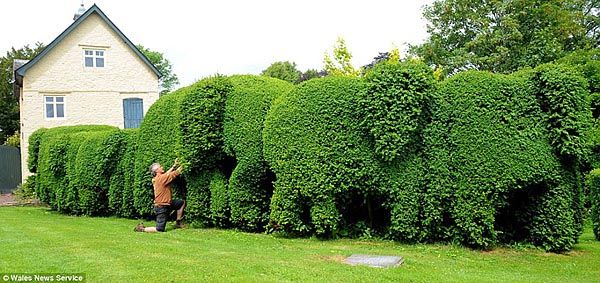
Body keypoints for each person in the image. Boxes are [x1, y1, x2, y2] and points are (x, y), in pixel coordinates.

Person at [135, 158, 185, 232]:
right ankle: (142, 229)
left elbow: (166, 175)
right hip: (161, 206)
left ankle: (178, 223)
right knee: (160, 229)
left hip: (168, 203)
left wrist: (174, 166)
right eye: (160, 167)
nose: (162, 167)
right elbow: (176, 172)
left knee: (181, 203)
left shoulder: (157, 178)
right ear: (156, 170)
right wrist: (184, 163)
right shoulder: (161, 179)